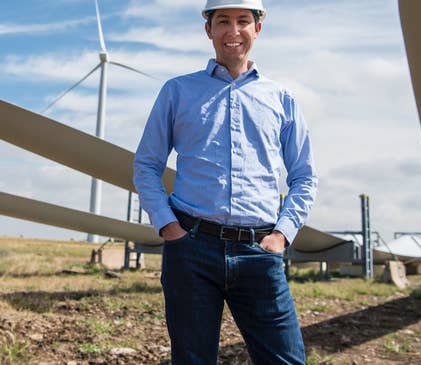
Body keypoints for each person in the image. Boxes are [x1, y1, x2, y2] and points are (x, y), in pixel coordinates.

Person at [133, 0, 317, 363]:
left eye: (243, 21)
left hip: (259, 252)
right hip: (192, 250)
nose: (233, 32)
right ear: (209, 30)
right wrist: (170, 228)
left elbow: (304, 176)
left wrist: (281, 235)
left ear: (258, 28)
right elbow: (147, 165)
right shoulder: (177, 92)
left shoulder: (281, 99)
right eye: (223, 22)